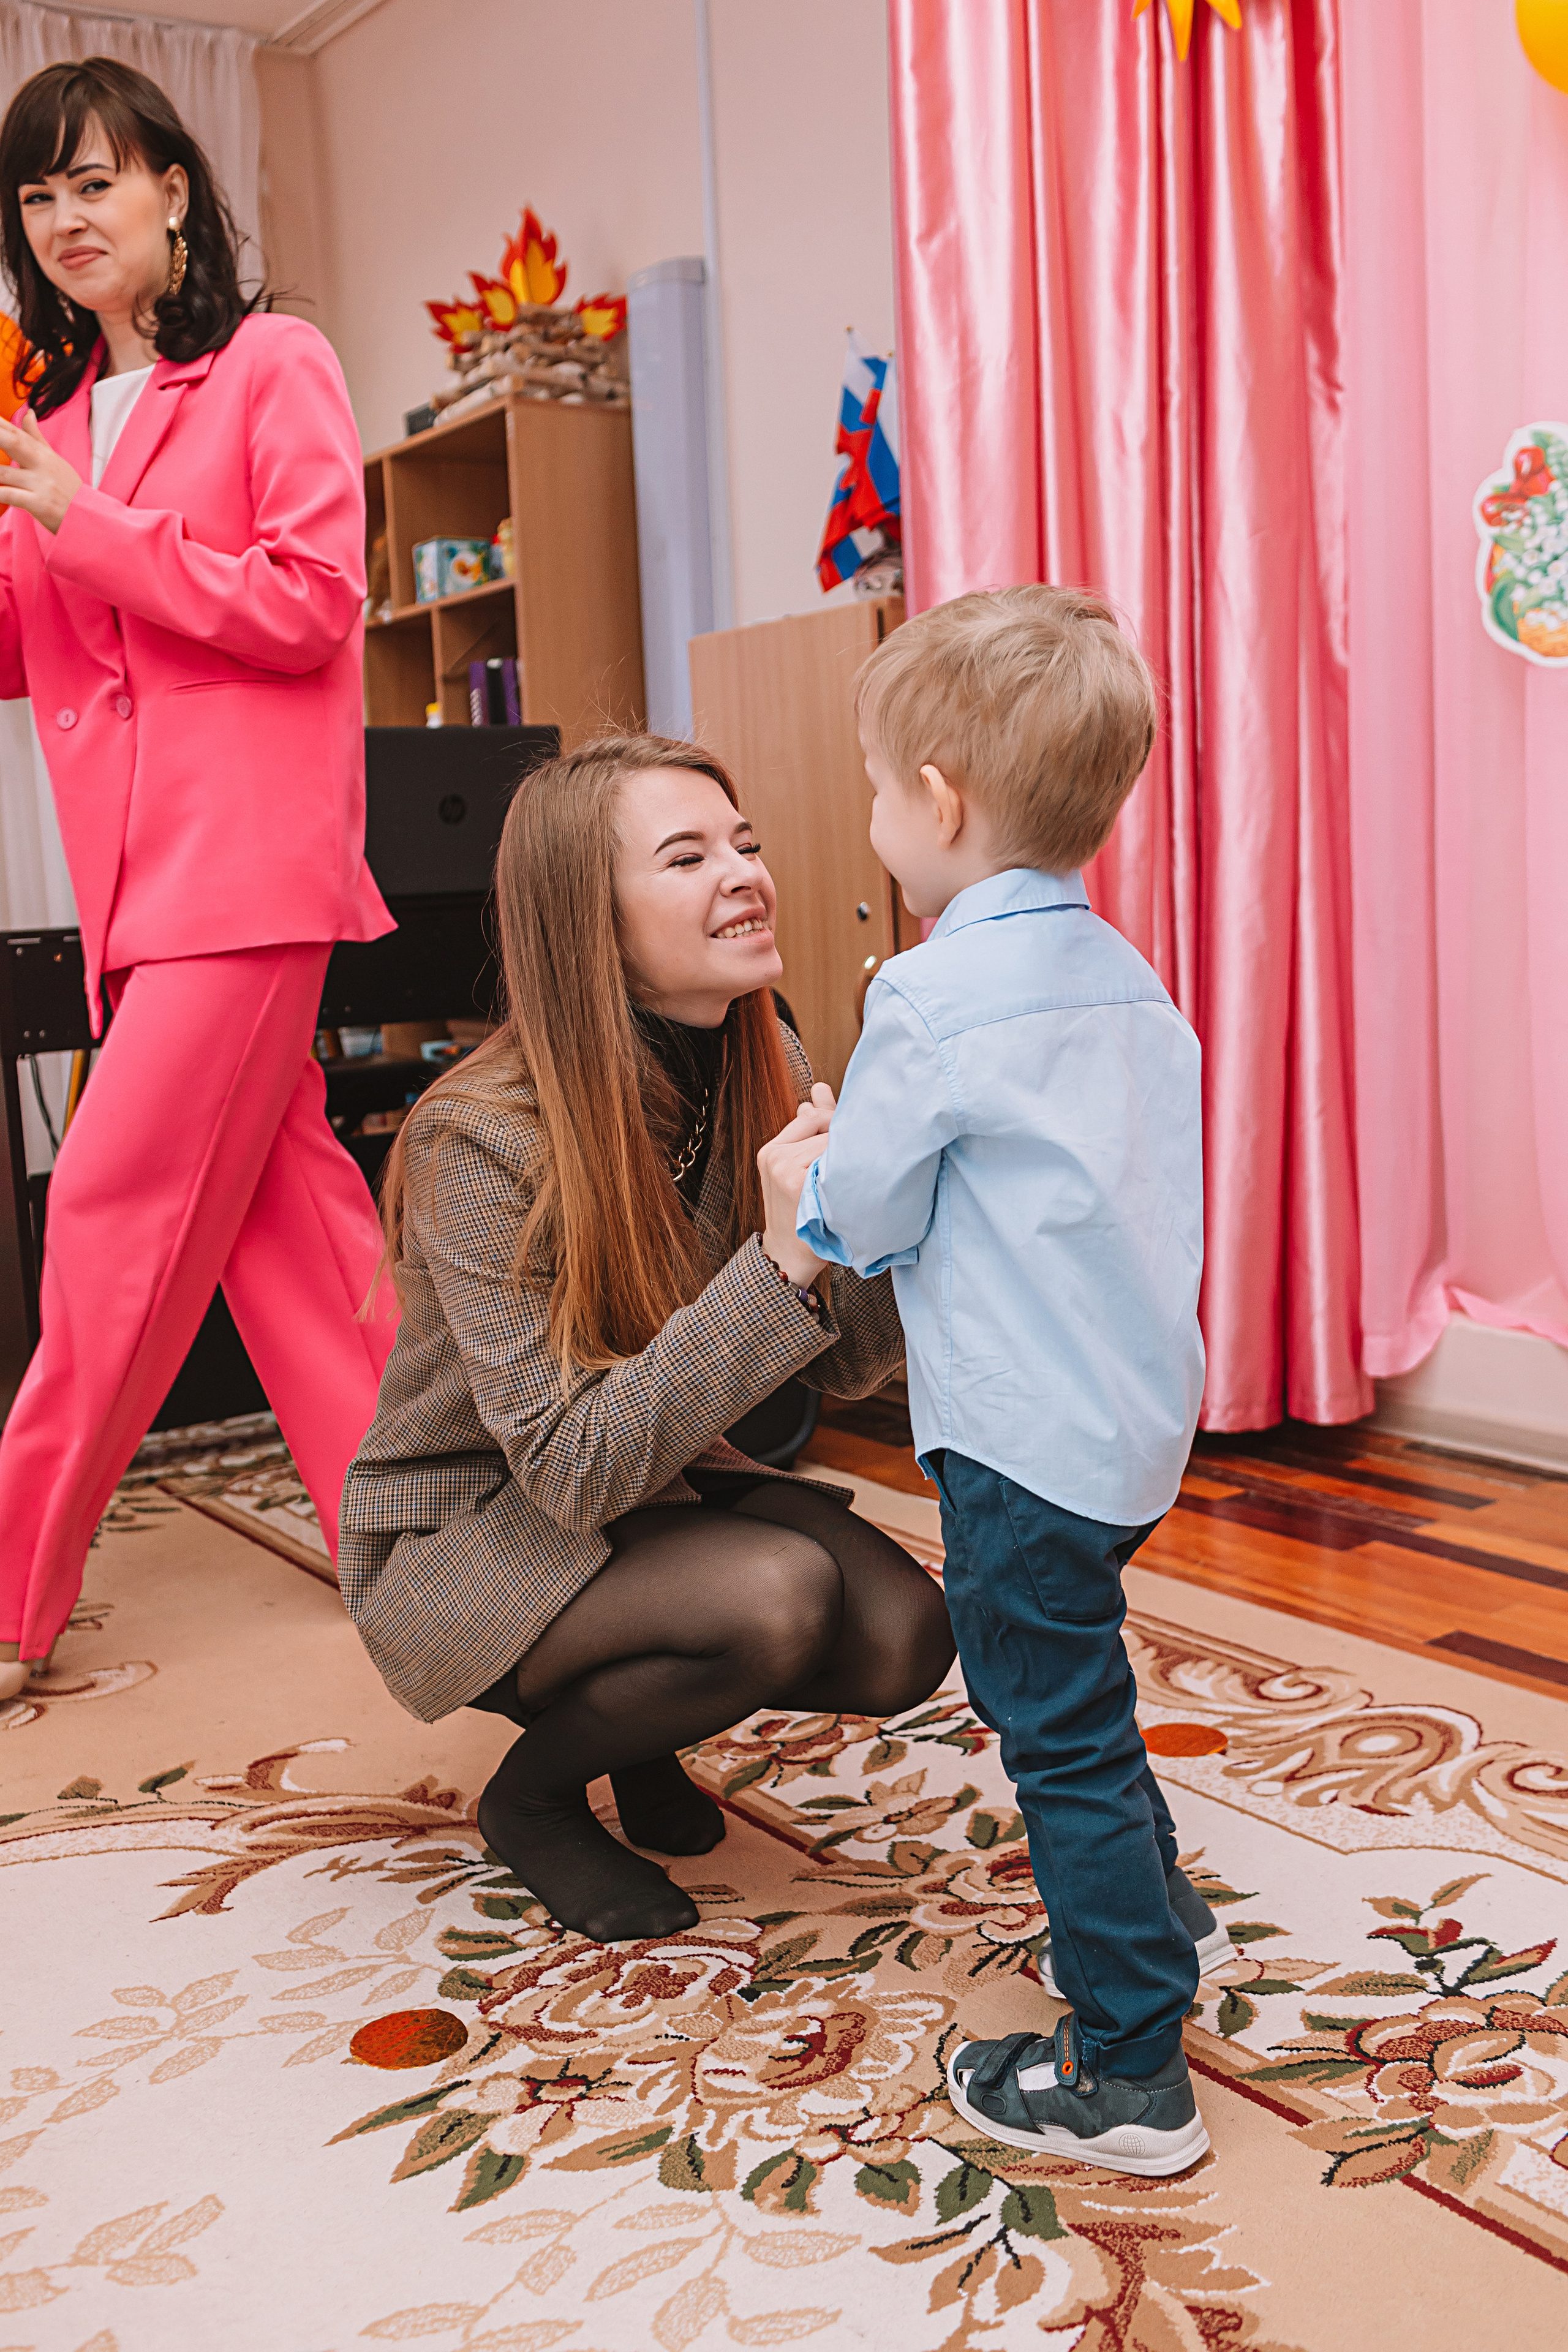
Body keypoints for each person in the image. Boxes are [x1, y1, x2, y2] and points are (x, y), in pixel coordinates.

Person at [339, 733, 955, 1945]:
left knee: (903, 1637)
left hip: (660, 1483)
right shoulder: (476, 1137)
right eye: (686, 857)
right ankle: (533, 1799)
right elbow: (570, 1471)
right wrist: (783, 1260)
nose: (744, 875)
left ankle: (639, 1725)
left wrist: (894, 1209)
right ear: (590, 924)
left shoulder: (763, 1053)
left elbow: (842, 1361)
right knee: (773, 1600)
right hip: (475, 1525)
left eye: (745, 843)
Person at [769, 586, 1220, 2178]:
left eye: (881, 787)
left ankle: (1128, 2071)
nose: (880, 815)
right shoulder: (1132, 987)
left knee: (1057, 1732)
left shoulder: (931, 997)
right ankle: (1160, 1905)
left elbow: (874, 1212)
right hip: (1134, 1421)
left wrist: (807, 1193)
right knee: (1088, 1676)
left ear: (937, 801)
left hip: (1020, 1440)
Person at [0, 58, 395, 1702]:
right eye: (35, 196)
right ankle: (439, 1544)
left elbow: (310, 600)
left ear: (174, 188)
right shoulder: (50, 427)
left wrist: (83, 524)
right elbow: (40, 663)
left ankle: (12, 1595)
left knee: (102, 1217)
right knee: (287, 1235)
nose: (65, 218)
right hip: (140, 897)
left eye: (96, 181)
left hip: (244, 877)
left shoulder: (269, 366)